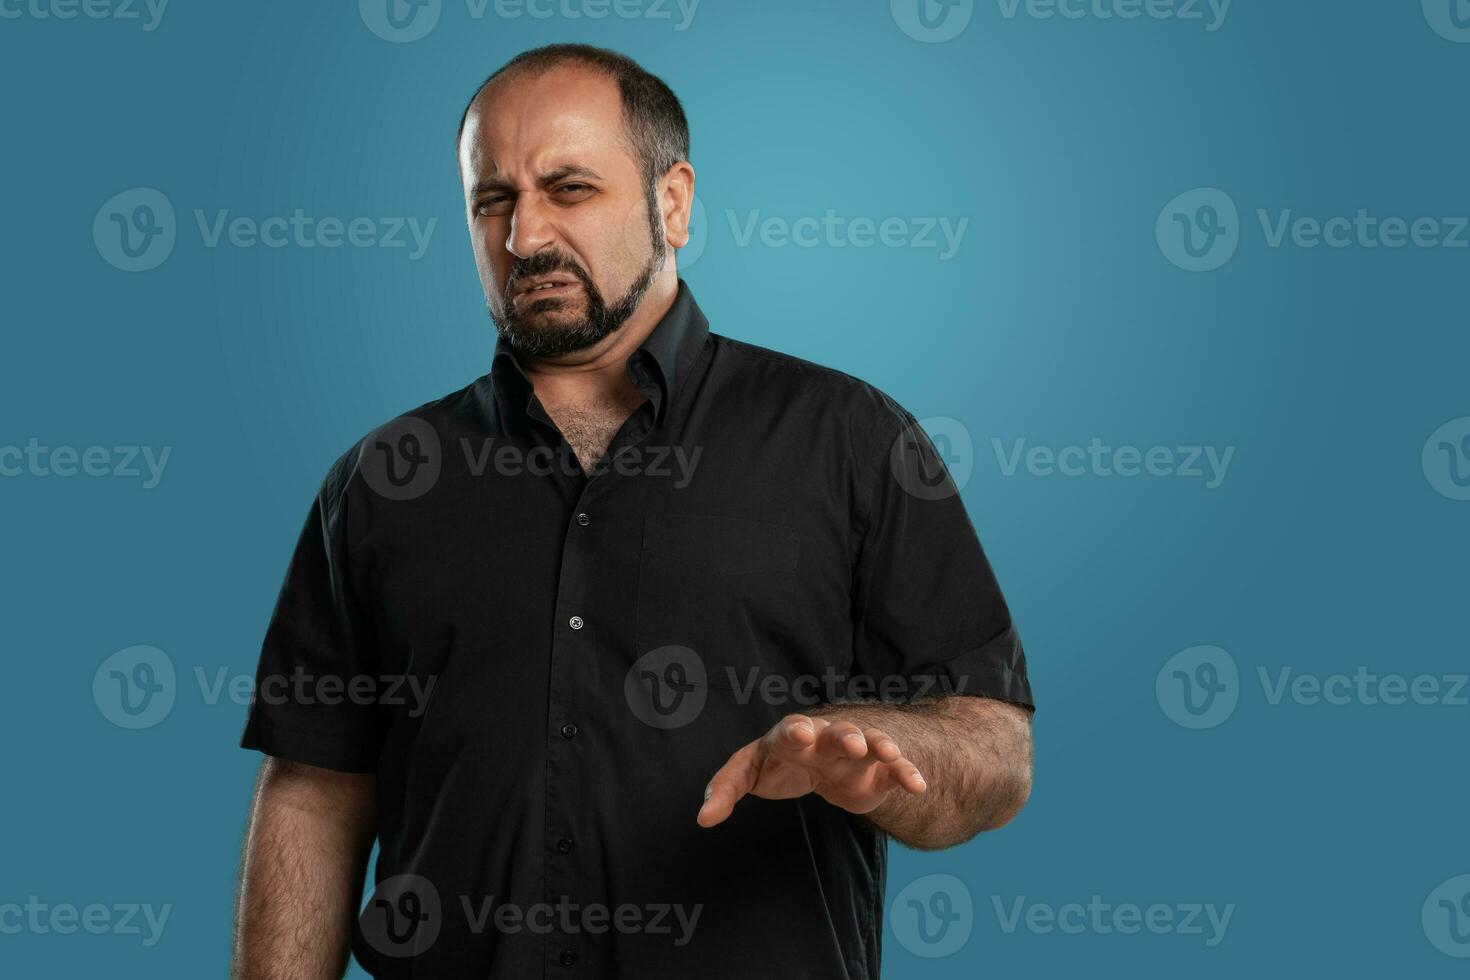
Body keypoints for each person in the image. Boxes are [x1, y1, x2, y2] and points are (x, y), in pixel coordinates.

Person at [232, 42, 1034, 980]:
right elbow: (315, 791)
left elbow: (997, 749)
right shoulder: (379, 481)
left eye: (569, 189)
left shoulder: (849, 439)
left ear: (674, 201)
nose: (523, 238)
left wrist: (887, 754)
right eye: (494, 200)